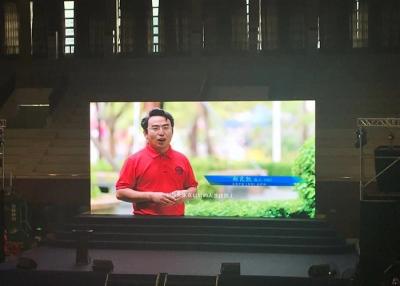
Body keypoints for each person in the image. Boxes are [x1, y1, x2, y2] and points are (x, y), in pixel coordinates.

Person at [115, 108, 198, 215]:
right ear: (145, 133)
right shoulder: (133, 160)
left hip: (178, 223)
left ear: (172, 131)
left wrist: (186, 193)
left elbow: (193, 189)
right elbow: (120, 193)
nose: (161, 133)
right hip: (144, 223)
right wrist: (151, 196)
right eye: (155, 128)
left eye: (166, 127)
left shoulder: (182, 159)